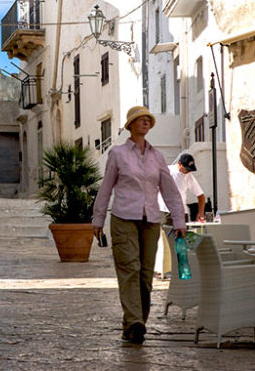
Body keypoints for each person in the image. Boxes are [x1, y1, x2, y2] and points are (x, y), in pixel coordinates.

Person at [92, 106, 186, 345]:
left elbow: (171, 192)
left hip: (151, 221)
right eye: (140, 119)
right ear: (130, 125)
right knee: (129, 270)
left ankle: (134, 325)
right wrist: (98, 220)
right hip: (123, 218)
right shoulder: (118, 154)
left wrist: (179, 220)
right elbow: (106, 189)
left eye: (148, 120)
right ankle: (136, 321)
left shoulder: (158, 156)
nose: (145, 122)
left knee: (145, 276)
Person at [159, 153, 207, 223]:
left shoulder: (189, 176)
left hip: (182, 213)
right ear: (179, 164)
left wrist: (200, 212)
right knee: (167, 233)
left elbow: (201, 196)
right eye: (186, 169)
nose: (188, 172)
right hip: (166, 211)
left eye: (190, 170)